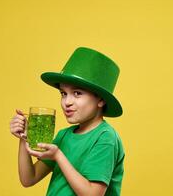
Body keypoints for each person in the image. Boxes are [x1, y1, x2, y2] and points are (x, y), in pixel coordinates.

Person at [10, 47, 125, 196]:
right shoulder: (64, 136)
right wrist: (23, 138)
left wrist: (58, 155)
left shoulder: (105, 138)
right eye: (63, 93)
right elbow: (28, 179)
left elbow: (93, 194)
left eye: (77, 93)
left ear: (101, 99)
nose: (67, 102)